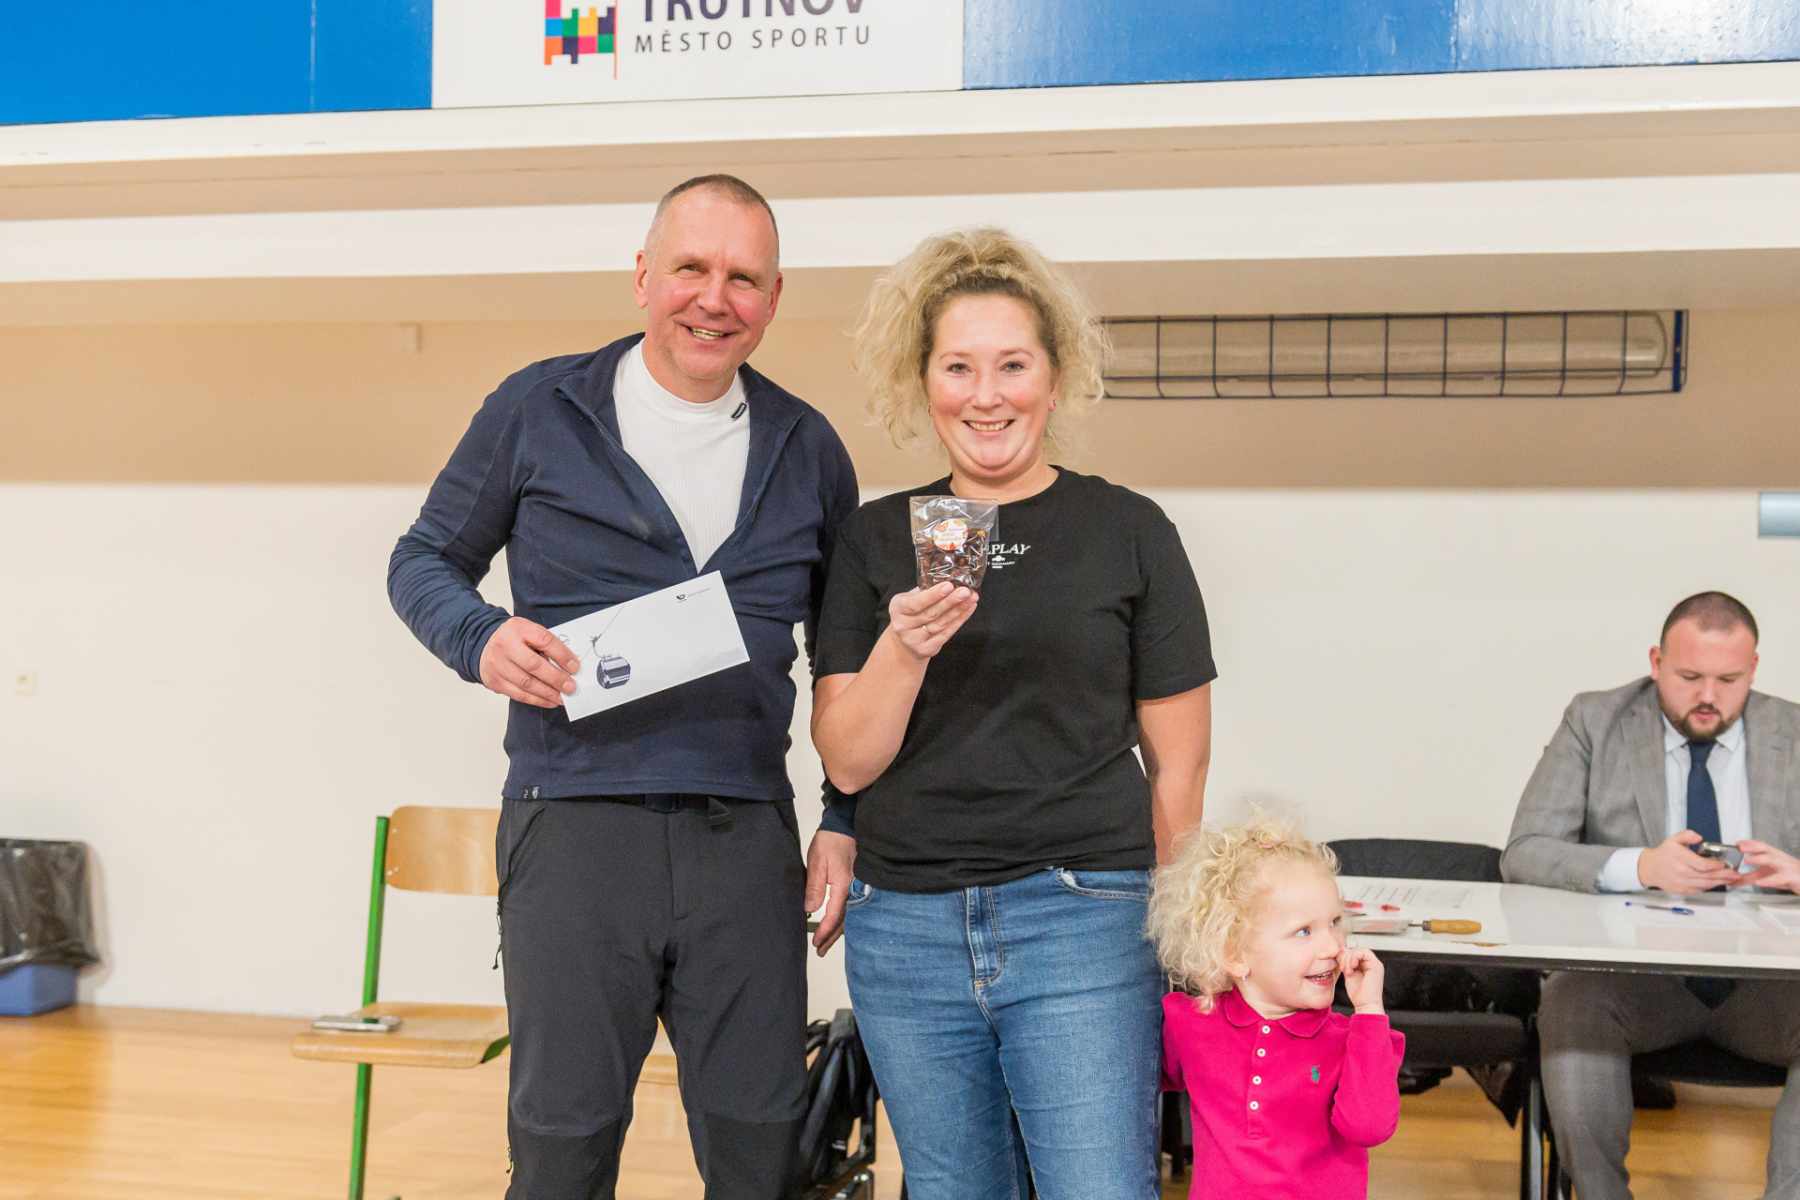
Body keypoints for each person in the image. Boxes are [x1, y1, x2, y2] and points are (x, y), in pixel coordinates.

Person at [387, 174, 860, 1199]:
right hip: (573, 829)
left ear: (775, 297)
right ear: (644, 276)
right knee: (562, 1149)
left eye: (744, 278)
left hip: (744, 840)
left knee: (761, 1148)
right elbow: (421, 560)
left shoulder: (809, 448)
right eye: (691, 268)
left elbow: (845, 659)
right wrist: (480, 637)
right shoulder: (538, 409)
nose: (714, 299)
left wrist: (844, 815)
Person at [808, 227, 1216, 1199]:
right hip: (905, 926)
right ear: (924, 383)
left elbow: (1181, 766)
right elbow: (848, 762)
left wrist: (1179, 931)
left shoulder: (1127, 531)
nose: (985, 395)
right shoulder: (874, 540)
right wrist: (904, 647)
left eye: (1012, 365)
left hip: (1085, 916)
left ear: (1055, 378)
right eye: (959, 367)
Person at [1501, 590, 1800, 1200]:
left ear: (1754, 669)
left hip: (1768, 988)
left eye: (1728, 680)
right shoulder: (1595, 720)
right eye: (1689, 677)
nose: (1708, 696)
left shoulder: (1793, 732)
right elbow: (1525, 850)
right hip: (1637, 980)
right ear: (1656, 662)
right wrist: (1641, 866)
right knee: (1571, 1008)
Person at [1148, 818, 1403, 1200]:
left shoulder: (1354, 1040)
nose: (1333, 946)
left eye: (1335, 922)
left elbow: (1370, 1128)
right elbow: (1127, 1082)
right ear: (1235, 953)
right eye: (1304, 931)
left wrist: (1369, 1010)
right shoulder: (1190, 1023)